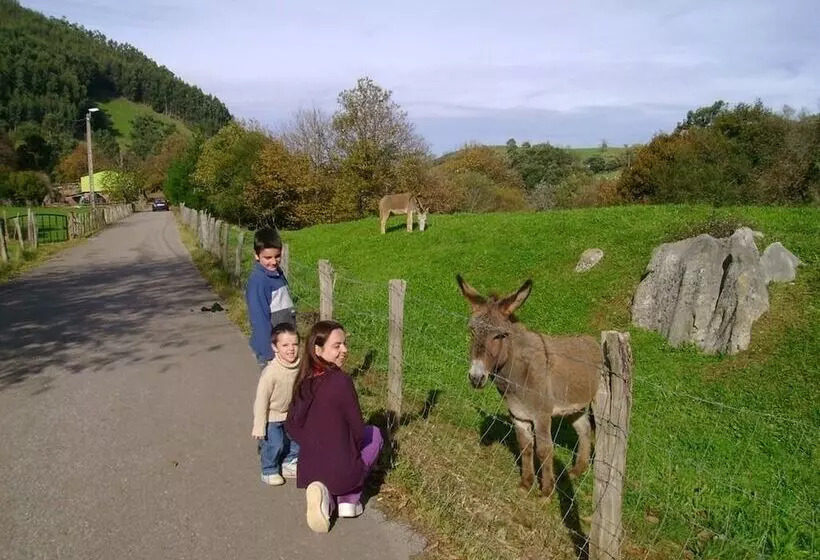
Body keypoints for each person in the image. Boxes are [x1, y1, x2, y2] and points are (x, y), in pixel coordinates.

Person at [285, 320, 383, 533]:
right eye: (337, 346)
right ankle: (349, 499)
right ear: (318, 350)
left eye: (344, 344)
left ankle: (326, 499)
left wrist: (313, 443)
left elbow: (291, 426)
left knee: (334, 461)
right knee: (374, 434)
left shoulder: (303, 380)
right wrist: (349, 449)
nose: (345, 350)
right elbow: (357, 430)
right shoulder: (341, 381)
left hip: (309, 469)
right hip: (341, 470)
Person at [252, 323, 301, 485]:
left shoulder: (300, 366)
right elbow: (261, 401)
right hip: (272, 415)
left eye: (295, 344)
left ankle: (289, 462)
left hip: (292, 413)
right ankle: (269, 469)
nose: (291, 349)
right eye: (285, 345)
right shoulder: (271, 372)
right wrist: (259, 425)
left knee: (295, 439)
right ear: (275, 347)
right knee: (275, 444)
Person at [245, 227, 296, 369]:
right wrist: (269, 354)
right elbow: (259, 320)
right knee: (275, 389)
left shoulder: (276, 274)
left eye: (277, 256)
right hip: (273, 351)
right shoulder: (258, 282)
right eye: (267, 258)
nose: (273, 262)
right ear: (256, 255)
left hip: (284, 346)